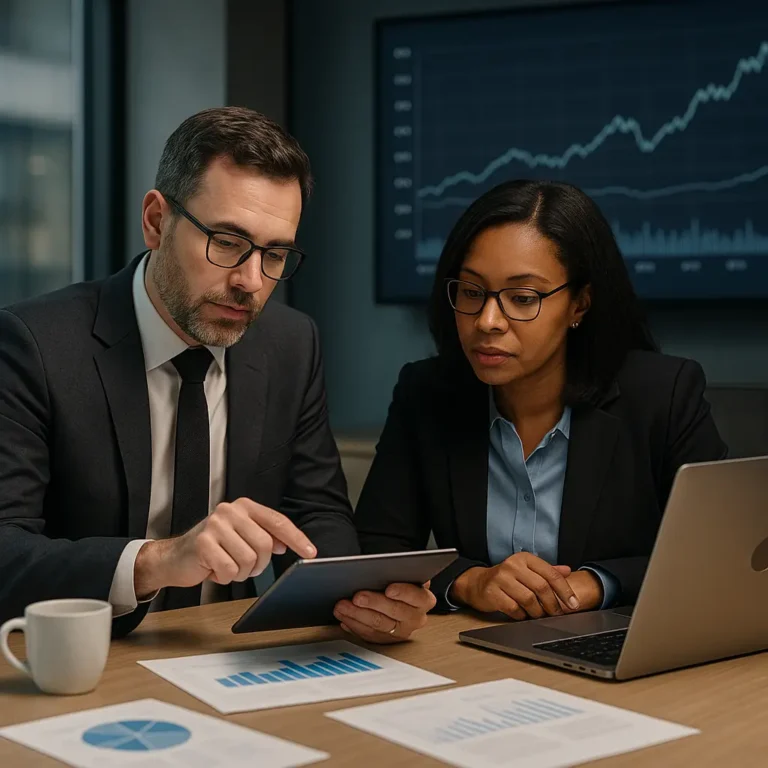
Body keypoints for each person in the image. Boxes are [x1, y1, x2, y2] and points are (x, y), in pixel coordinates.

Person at [0, 106, 435, 641]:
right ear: (157, 222)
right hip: (86, 659)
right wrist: (157, 561)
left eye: (274, 254)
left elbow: (317, 513)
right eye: (227, 242)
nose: (251, 281)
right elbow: (6, 550)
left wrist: (362, 601)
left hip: (224, 652)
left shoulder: (291, 343)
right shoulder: (34, 344)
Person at [354, 179, 727, 621]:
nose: (488, 321)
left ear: (579, 305)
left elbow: (717, 556)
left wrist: (595, 583)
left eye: (522, 298)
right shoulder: (427, 392)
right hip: (478, 657)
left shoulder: (662, 394)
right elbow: (376, 550)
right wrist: (471, 581)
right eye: (472, 293)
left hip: (620, 649)